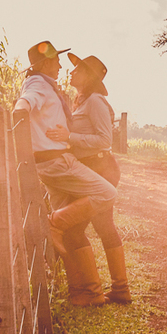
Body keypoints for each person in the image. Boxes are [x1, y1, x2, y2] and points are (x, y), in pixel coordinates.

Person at [14, 41, 117, 307]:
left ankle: (86, 292)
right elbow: (22, 107)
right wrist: (20, 141)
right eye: (57, 61)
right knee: (107, 193)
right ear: (45, 63)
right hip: (56, 163)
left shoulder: (57, 90)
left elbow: (101, 138)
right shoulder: (38, 84)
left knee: (74, 231)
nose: (61, 65)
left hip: (55, 162)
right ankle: (54, 222)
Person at [47, 53, 130, 304]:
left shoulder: (95, 101)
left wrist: (68, 137)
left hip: (100, 167)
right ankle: (119, 289)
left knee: (74, 230)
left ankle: (93, 292)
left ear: (89, 76)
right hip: (90, 167)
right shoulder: (81, 101)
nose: (71, 72)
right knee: (104, 227)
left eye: (77, 69)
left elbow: (105, 140)